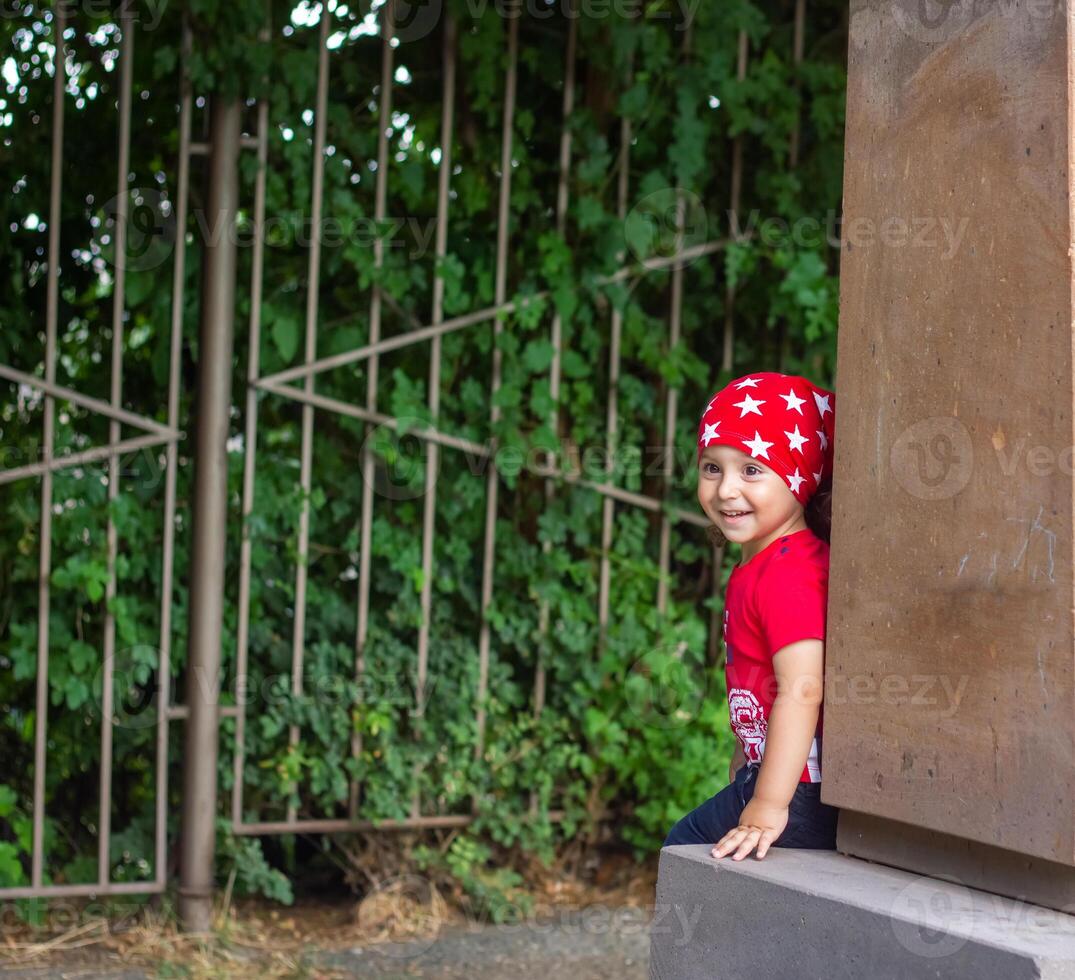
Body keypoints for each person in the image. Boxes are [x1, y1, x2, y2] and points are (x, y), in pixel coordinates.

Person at [662, 371, 840, 860]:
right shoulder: (766, 563)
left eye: (753, 469)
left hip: (800, 790)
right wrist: (746, 766)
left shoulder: (789, 574)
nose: (725, 490)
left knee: (685, 846)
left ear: (798, 478)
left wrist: (765, 803)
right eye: (712, 468)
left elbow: (803, 689)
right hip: (779, 778)